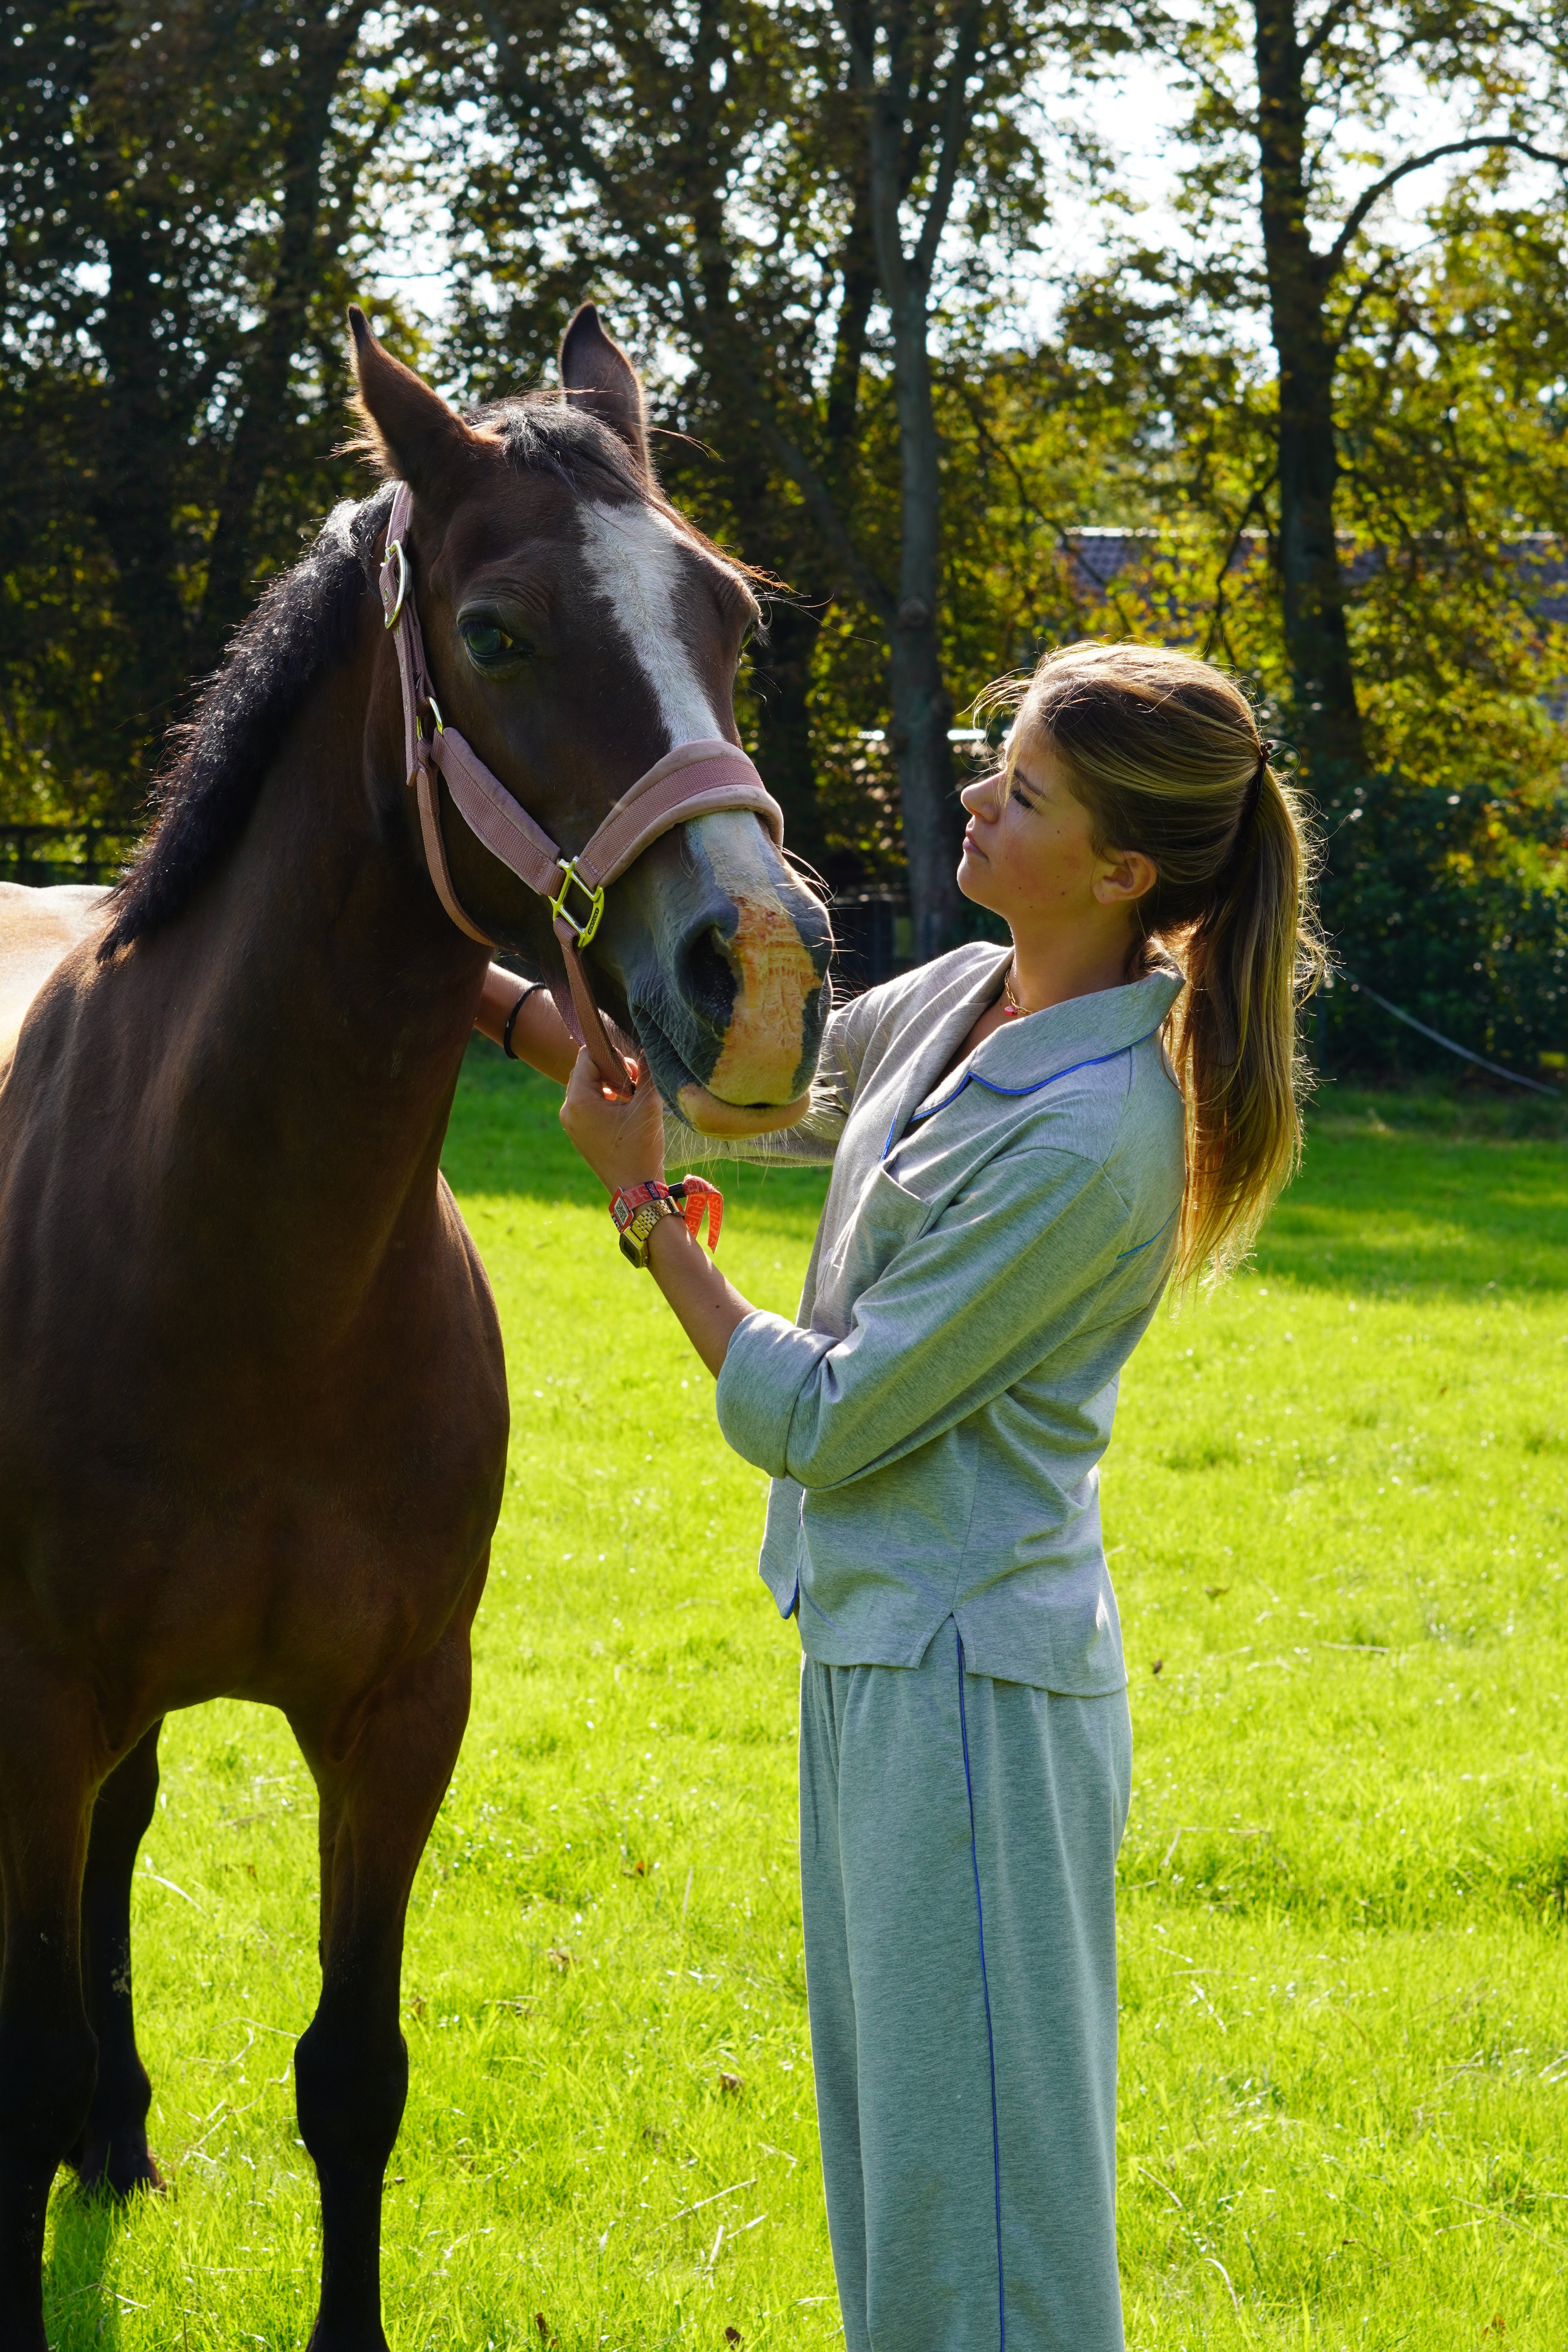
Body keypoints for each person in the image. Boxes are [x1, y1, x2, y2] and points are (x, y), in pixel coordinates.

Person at [488, 640, 1323, 2352]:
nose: (970, 797)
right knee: (898, 2184)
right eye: (991, 764)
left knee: (985, 2232)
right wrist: (530, 967)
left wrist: (647, 1219)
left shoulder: (1094, 1133)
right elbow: (755, 1089)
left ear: (1121, 871)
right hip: (874, 1652)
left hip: (971, 1695)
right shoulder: (963, 1001)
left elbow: (821, 1413)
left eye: (1019, 791)